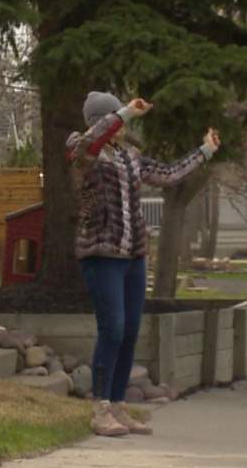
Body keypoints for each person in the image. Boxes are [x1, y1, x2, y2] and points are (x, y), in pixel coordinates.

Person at [67, 91, 220, 437]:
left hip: (133, 257)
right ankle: (100, 409)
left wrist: (205, 151)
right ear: (100, 120)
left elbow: (168, 174)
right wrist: (125, 112)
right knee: (113, 329)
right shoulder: (82, 150)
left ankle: (118, 406)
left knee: (131, 331)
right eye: (114, 120)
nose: (121, 128)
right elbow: (93, 140)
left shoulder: (130, 156)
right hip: (101, 253)